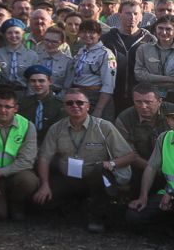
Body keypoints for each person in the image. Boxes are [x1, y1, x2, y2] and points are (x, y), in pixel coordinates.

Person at [34, 87, 135, 233]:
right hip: (69, 178)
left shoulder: (104, 127)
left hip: (96, 179)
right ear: (64, 107)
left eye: (80, 103)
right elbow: (44, 157)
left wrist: (111, 163)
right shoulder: (56, 129)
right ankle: (74, 209)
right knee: (41, 202)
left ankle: (96, 216)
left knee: (98, 174)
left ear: (88, 106)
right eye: (70, 103)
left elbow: (130, 156)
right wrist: (44, 185)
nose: (75, 106)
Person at [0, 87, 39, 222]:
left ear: (15, 108)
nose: (3, 110)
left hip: (13, 174)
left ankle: (17, 205)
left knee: (29, 181)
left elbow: (27, 161)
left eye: (8, 107)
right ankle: (0, 203)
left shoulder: (27, 126)